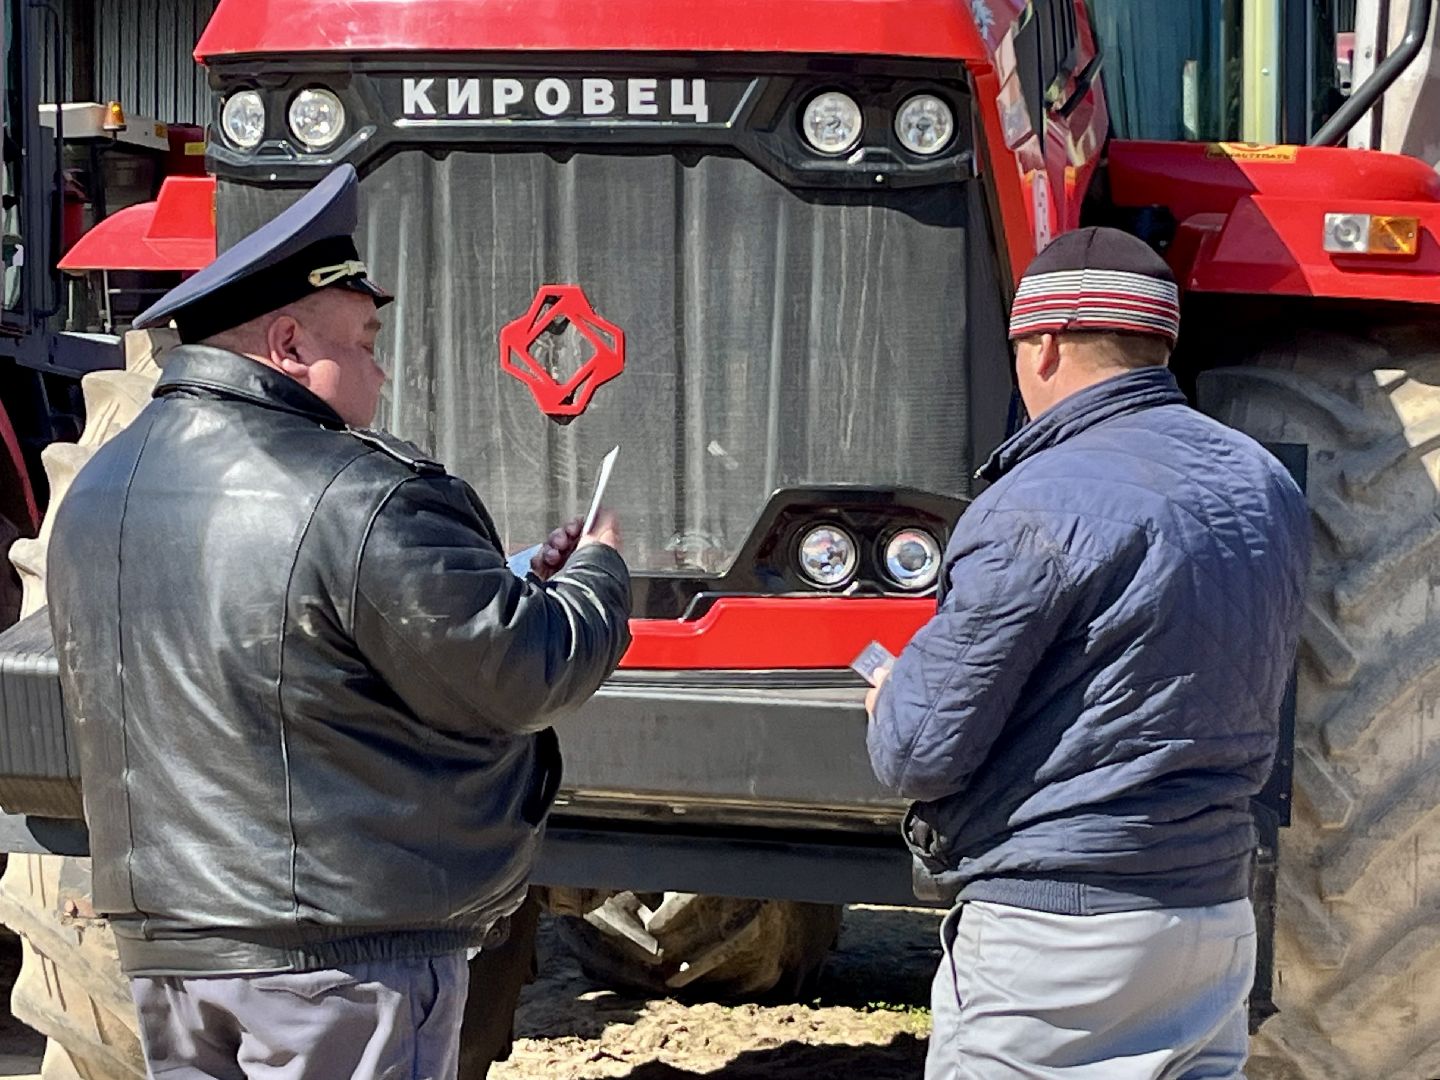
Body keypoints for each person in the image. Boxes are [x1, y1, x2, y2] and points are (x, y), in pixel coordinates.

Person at [45, 164, 632, 1080]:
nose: (381, 367)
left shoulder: (102, 487)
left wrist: (504, 578)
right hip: (336, 960)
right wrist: (597, 571)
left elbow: (285, 637)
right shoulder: (361, 492)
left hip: (173, 954)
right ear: (287, 342)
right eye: (364, 340)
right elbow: (525, 673)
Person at [865, 226, 1309, 1080]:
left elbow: (918, 751)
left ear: (1043, 346)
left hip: (1056, 937)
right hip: (1215, 915)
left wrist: (891, 697)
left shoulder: (1032, 503)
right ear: (1158, 346)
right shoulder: (1264, 484)